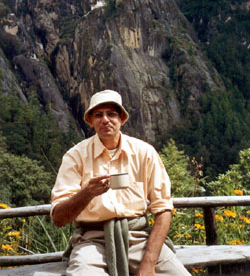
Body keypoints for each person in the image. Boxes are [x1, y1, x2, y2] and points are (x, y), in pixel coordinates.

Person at [51, 89, 191, 276]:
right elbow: (59, 218)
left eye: (111, 114)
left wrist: (149, 263)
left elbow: (163, 209)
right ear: (91, 121)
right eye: (98, 115)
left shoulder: (144, 153)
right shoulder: (75, 156)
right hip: (93, 242)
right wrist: (87, 193)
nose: (105, 120)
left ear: (122, 119)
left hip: (139, 239)